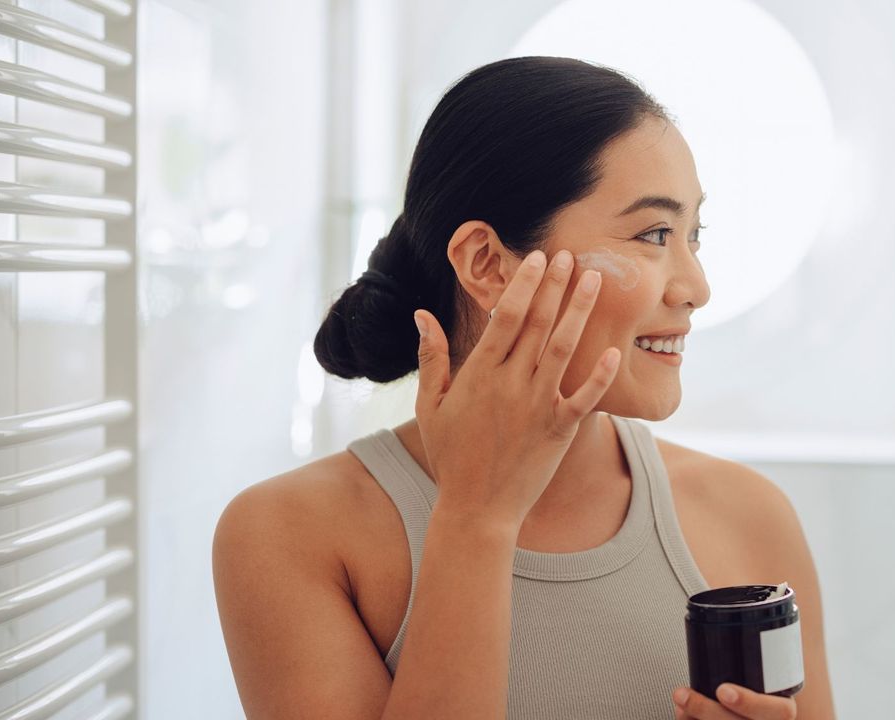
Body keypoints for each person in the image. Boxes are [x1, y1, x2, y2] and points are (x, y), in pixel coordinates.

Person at [212, 56, 834, 720]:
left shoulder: (750, 518)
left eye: (693, 236)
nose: (696, 288)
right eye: (654, 234)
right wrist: (476, 518)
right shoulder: (288, 537)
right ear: (488, 264)